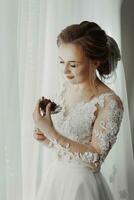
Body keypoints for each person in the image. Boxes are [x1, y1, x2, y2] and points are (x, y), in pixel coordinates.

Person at [32, 21, 124, 200]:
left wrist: (52, 133)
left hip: (82, 187)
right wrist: (46, 138)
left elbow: (95, 158)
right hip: (56, 179)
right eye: (61, 61)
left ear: (95, 62)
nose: (65, 71)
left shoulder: (110, 103)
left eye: (73, 65)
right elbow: (67, 146)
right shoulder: (65, 88)